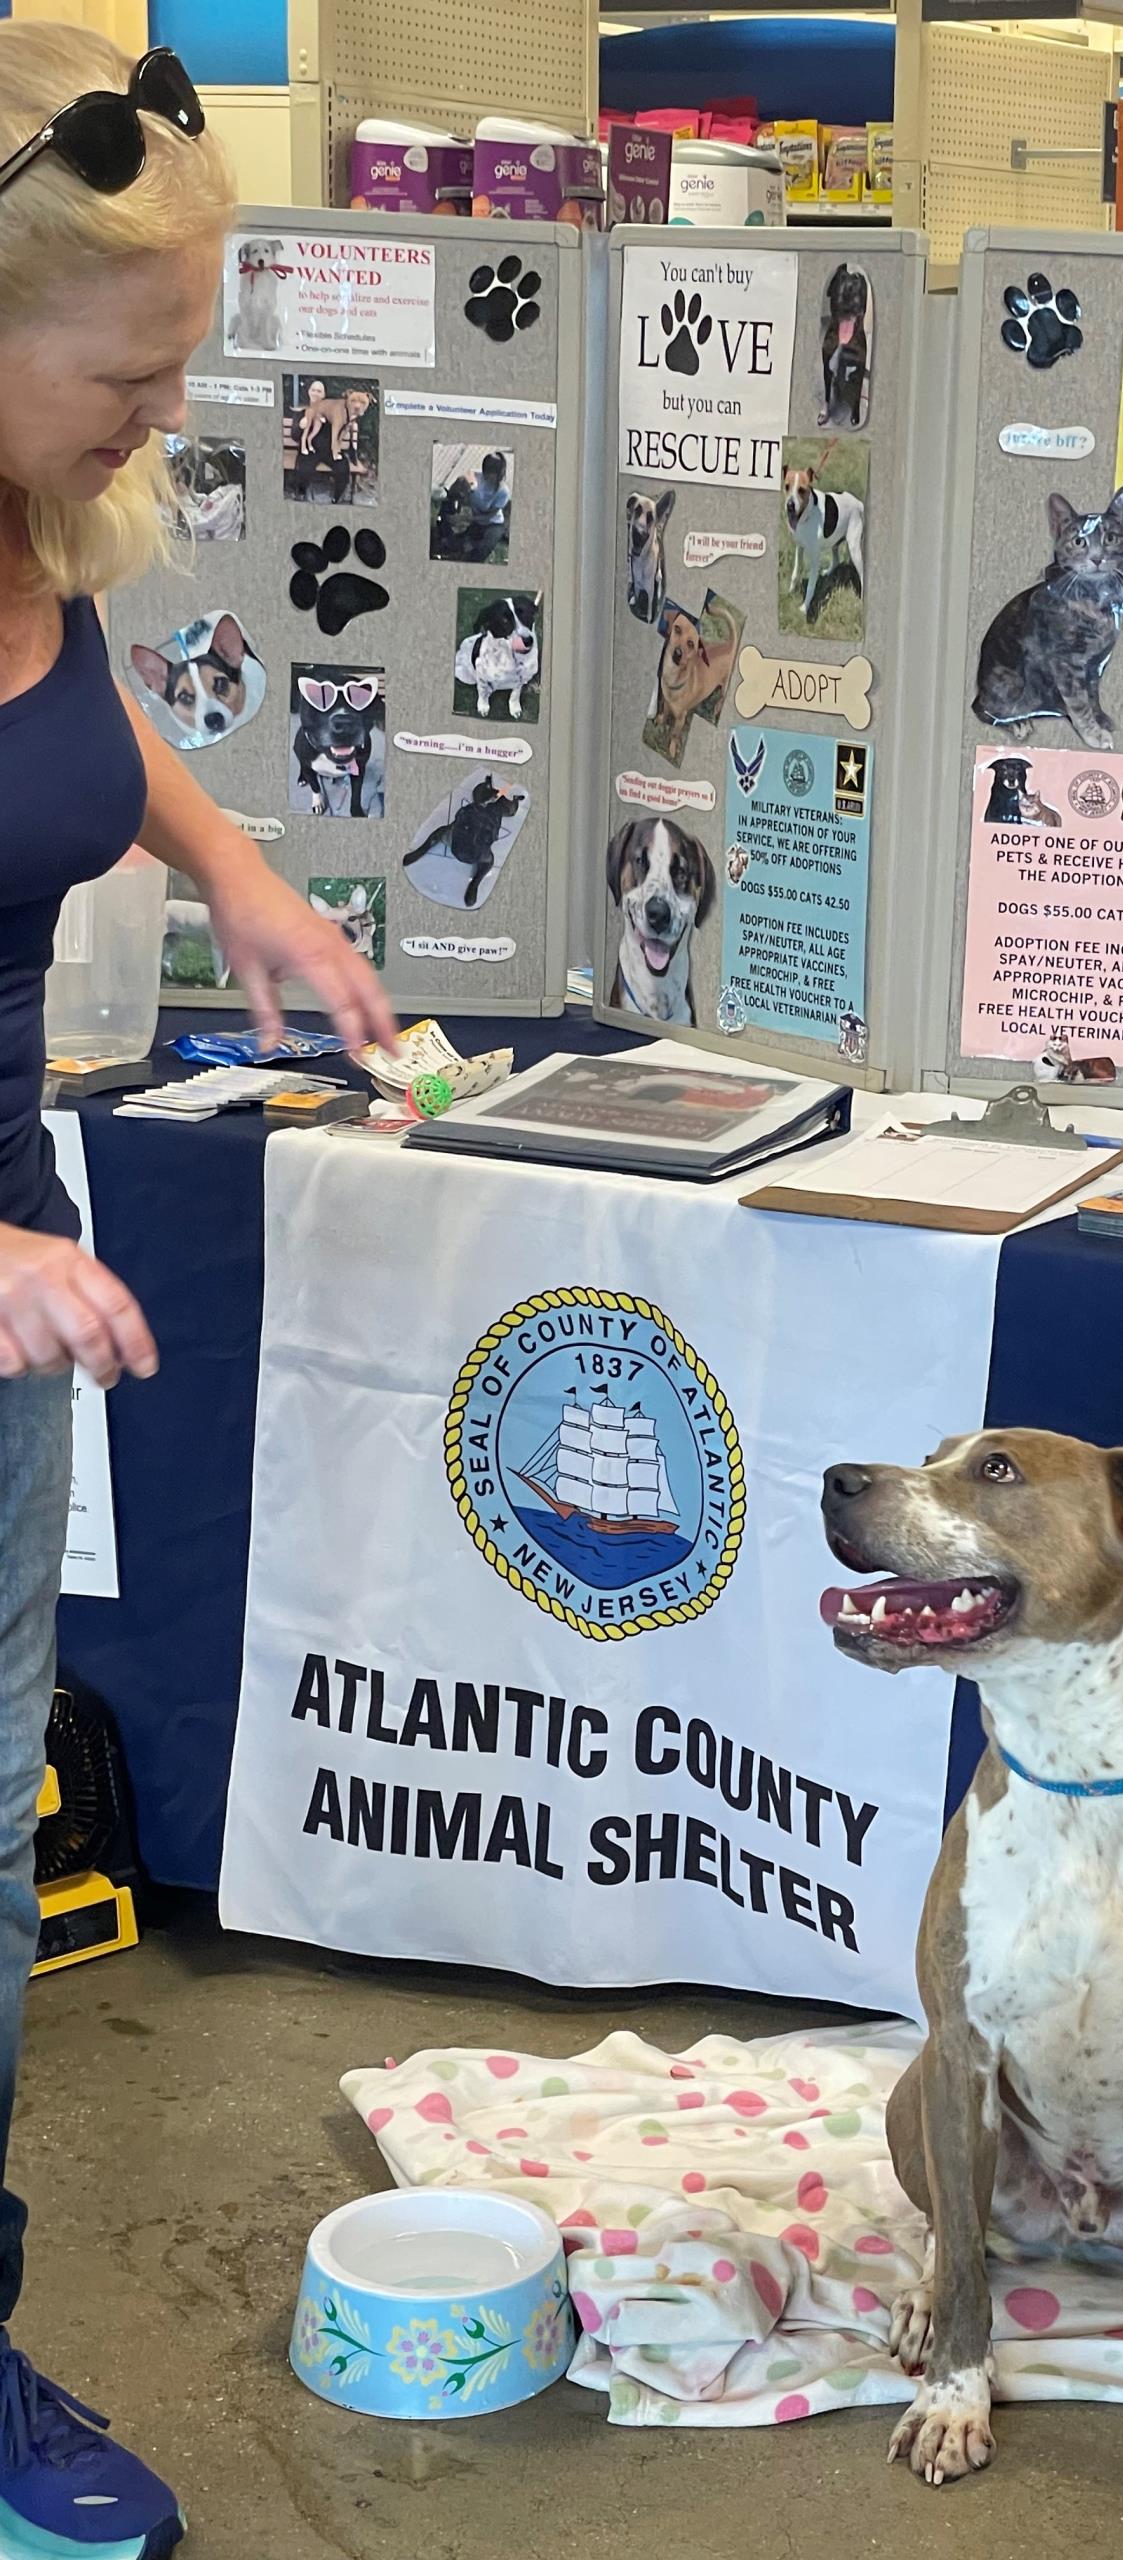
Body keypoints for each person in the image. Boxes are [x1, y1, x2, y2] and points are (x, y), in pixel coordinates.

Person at [0, 27, 394, 2555]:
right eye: (132, 364)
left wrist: (236, 867)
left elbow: (78, 734)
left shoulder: (37, 523)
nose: (166, 406)